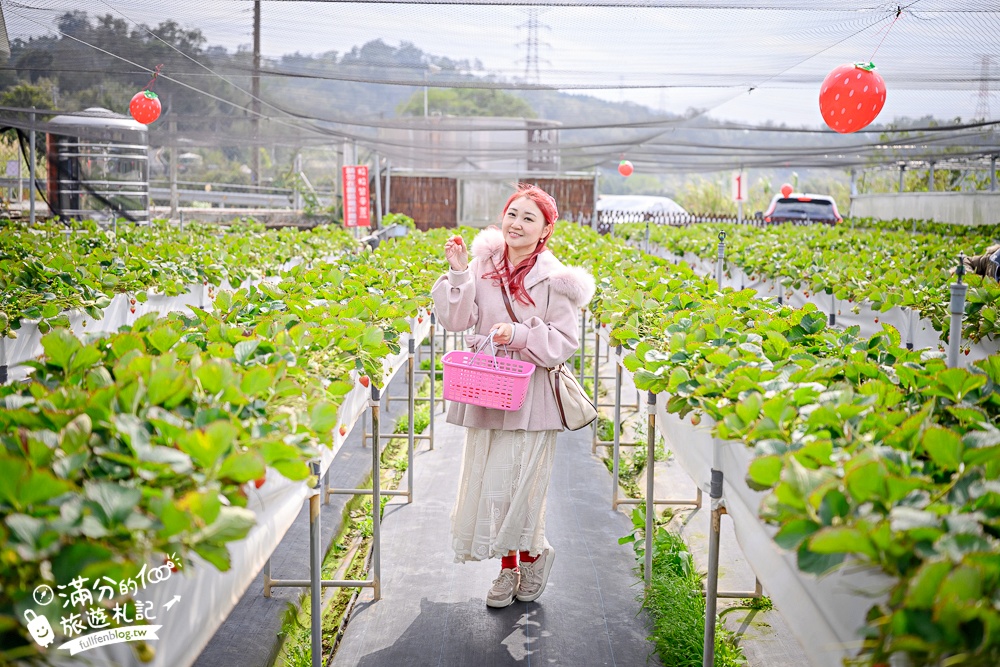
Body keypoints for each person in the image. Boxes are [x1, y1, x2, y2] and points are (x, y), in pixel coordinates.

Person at [431, 183, 595, 608]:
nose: (517, 224)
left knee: (521, 487)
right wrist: (459, 272)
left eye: (529, 218)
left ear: (544, 231)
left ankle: (533, 554)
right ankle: (508, 569)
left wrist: (520, 334)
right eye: (512, 214)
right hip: (488, 390)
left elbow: (565, 342)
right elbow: (456, 320)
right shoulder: (483, 266)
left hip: (532, 398)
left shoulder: (556, 280)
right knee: (494, 486)